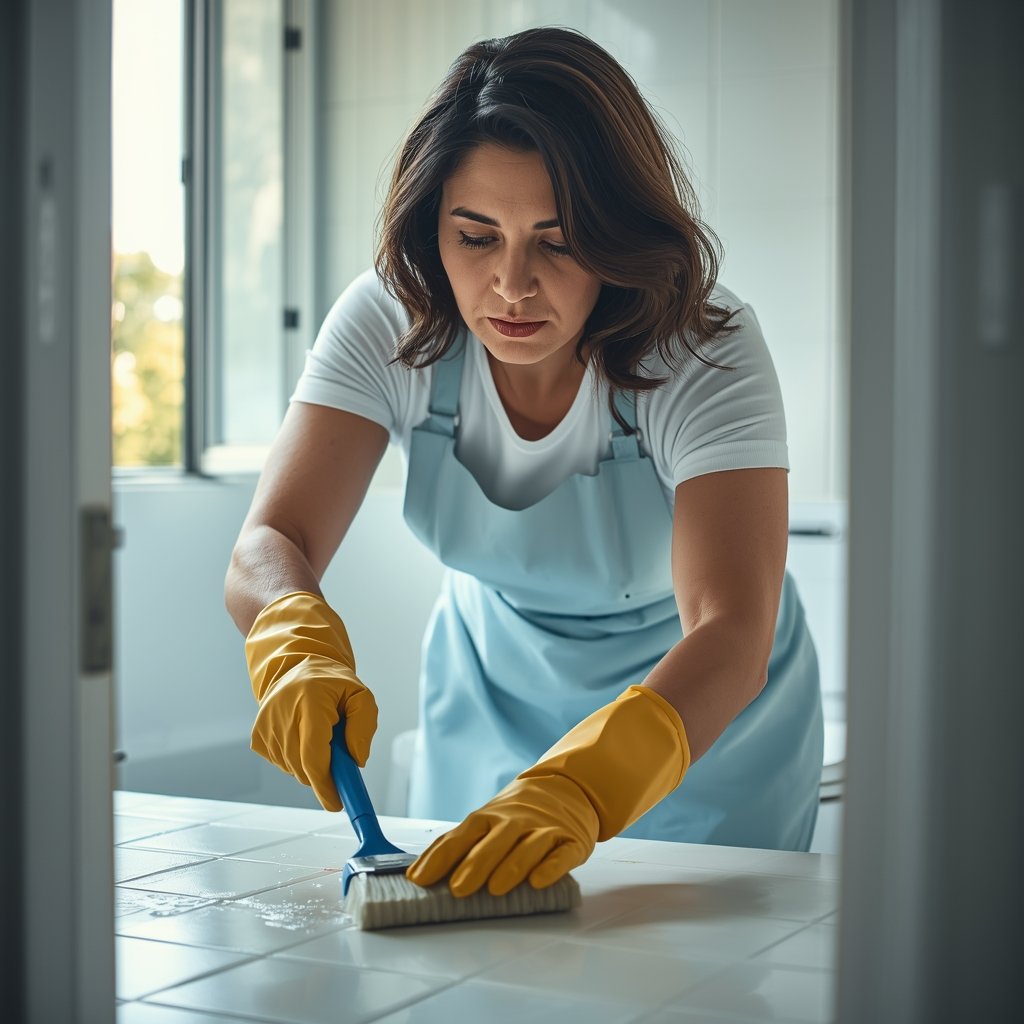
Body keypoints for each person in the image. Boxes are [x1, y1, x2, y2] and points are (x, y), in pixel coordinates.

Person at [225, 26, 823, 899]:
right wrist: (290, 637)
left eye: (557, 239)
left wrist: (584, 782)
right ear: (434, 232)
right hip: (490, 686)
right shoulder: (391, 321)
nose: (511, 284)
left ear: (617, 238)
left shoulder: (700, 347)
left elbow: (730, 630)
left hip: (702, 713)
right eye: (476, 237)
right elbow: (270, 537)